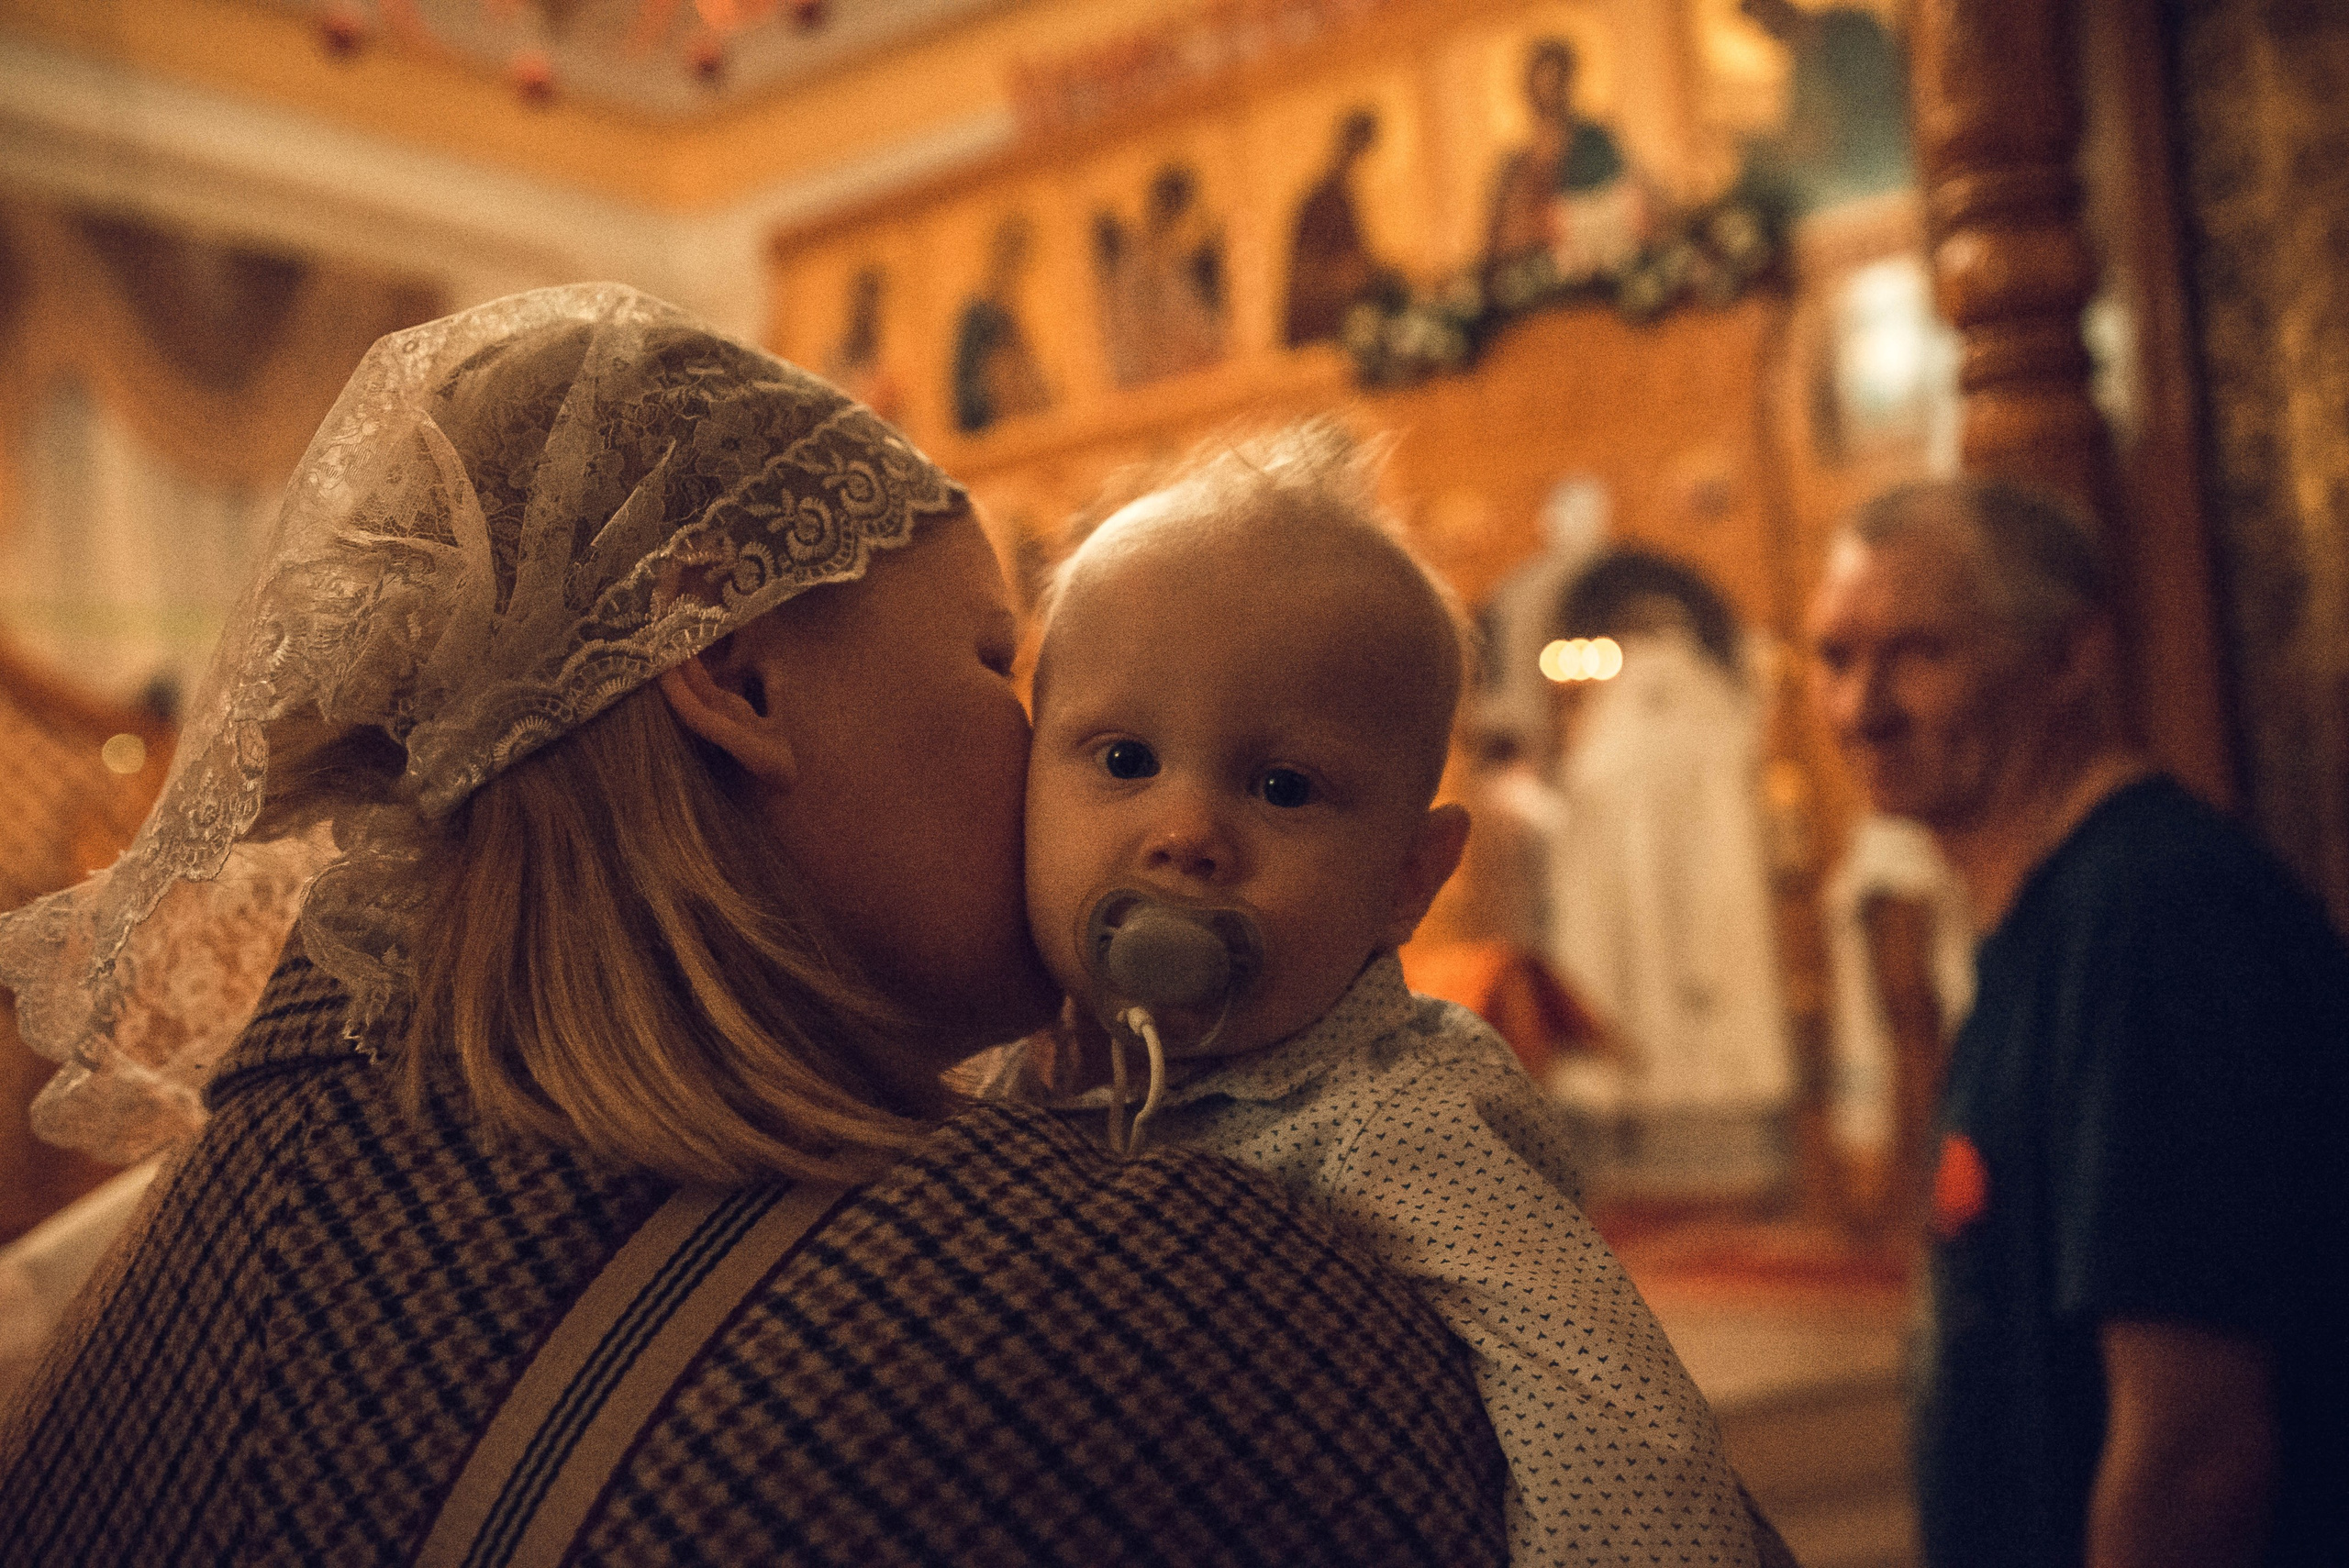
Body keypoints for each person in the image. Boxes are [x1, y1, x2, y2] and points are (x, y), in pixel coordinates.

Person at [0, 287, 1515, 1566]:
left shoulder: (197, 1229)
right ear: (735, 672)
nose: (1044, 744)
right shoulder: (1131, 1294)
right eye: (1000, 660)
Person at [990, 423, 1782, 1568]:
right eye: (1122, 761)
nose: (1186, 834)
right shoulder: (1016, 1057)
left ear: (1410, 877)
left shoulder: (1394, 1115)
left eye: (1282, 785)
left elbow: (1606, 1409)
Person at [1806, 476, 2349, 1568]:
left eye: (1917, 653)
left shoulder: (2152, 917)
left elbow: (2192, 1448)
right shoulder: (2057, 913)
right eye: (1834, 657)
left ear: (2069, 656)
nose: (1861, 709)